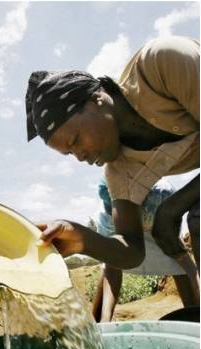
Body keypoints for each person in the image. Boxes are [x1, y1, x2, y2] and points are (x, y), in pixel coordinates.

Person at [25, 36, 200, 309]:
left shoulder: (161, 64)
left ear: (96, 99)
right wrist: (82, 238)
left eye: (76, 141)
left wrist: (172, 208)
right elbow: (131, 250)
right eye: (70, 154)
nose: (80, 156)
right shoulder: (119, 171)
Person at [93, 176, 199, 322]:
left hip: (157, 215)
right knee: (109, 264)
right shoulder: (106, 221)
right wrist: (105, 321)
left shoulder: (161, 198)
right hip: (133, 221)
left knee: (175, 257)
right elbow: (112, 268)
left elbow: (183, 260)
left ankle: (194, 316)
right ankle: (99, 324)